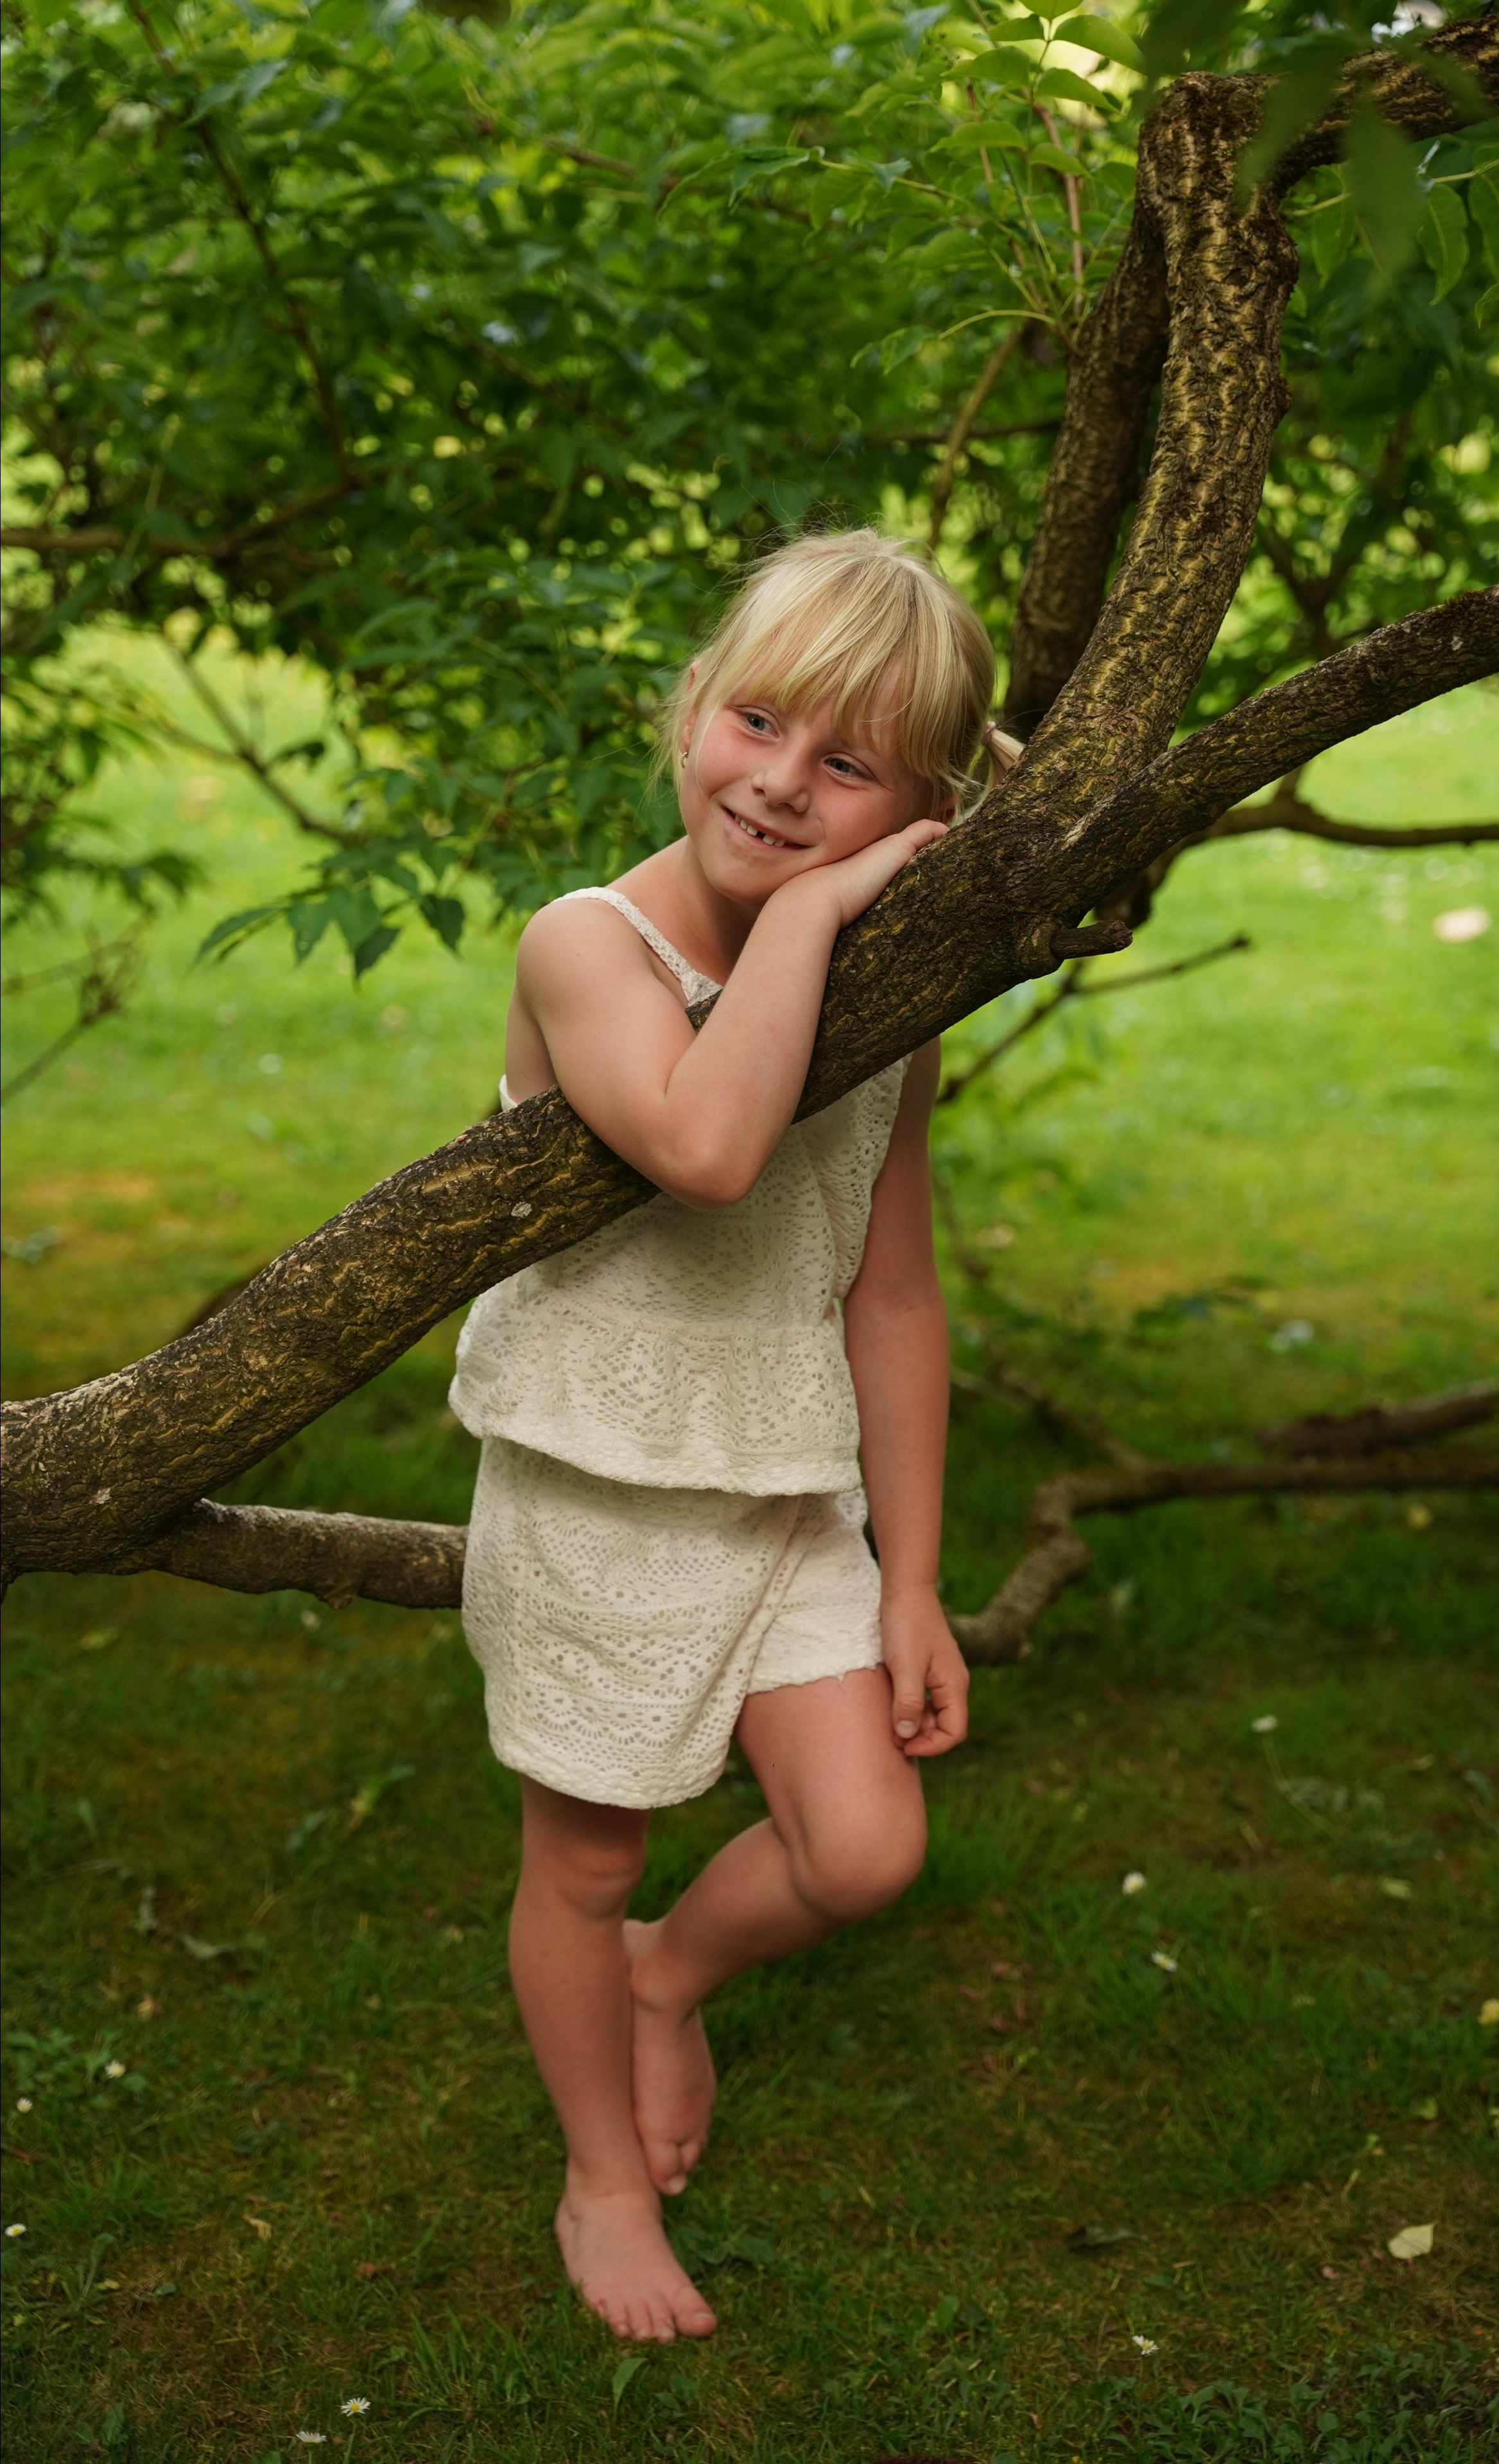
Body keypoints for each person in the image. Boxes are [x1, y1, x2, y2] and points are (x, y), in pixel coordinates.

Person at [449, 529, 1020, 2343]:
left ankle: (662, 1982)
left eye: (847, 764)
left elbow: (890, 1293)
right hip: (599, 1487)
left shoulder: (886, 1012)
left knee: (863, 1850)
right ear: (691, 708)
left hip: (788, 1485)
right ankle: (603, 2182)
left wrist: (913, 1579)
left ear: (921, 812)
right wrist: (814, 919)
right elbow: (705, 1146)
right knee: (586, 1856)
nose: (777, 783)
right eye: (756, 721)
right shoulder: (587, 946)